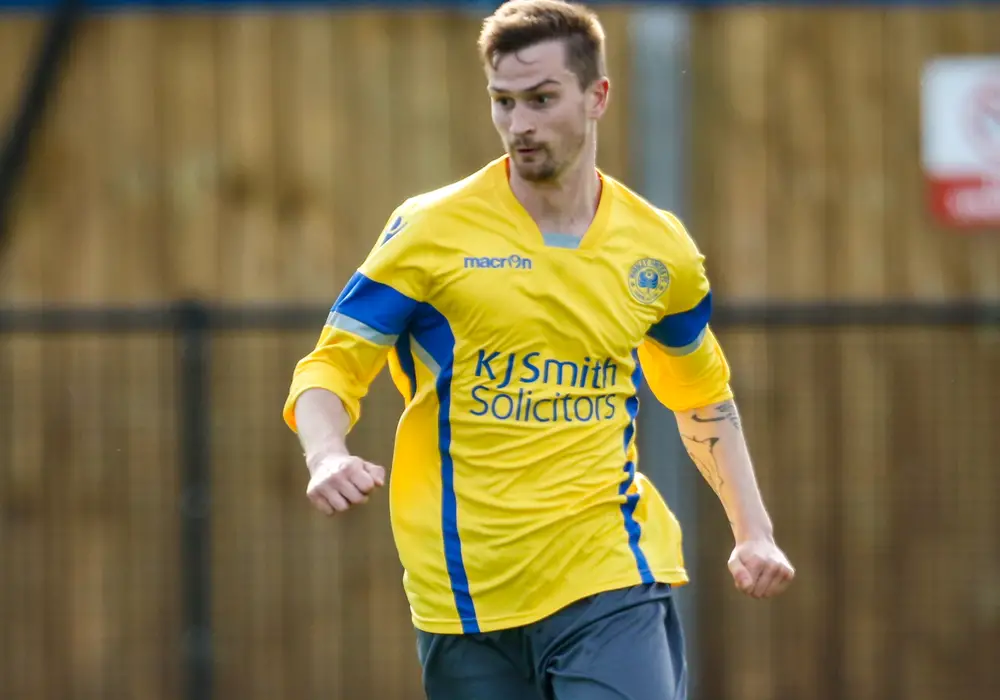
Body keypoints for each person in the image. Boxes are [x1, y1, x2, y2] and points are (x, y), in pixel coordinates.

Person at [282, 1, 795, 698]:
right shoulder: (430, 232)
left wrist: (753, 532)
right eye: (503, 101)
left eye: (541, 99)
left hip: (609, 573)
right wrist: (327, 454)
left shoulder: (658, 250)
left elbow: (701, 396)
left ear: (597, 97)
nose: (519, 124)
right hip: (463, 591)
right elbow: (331, 367)